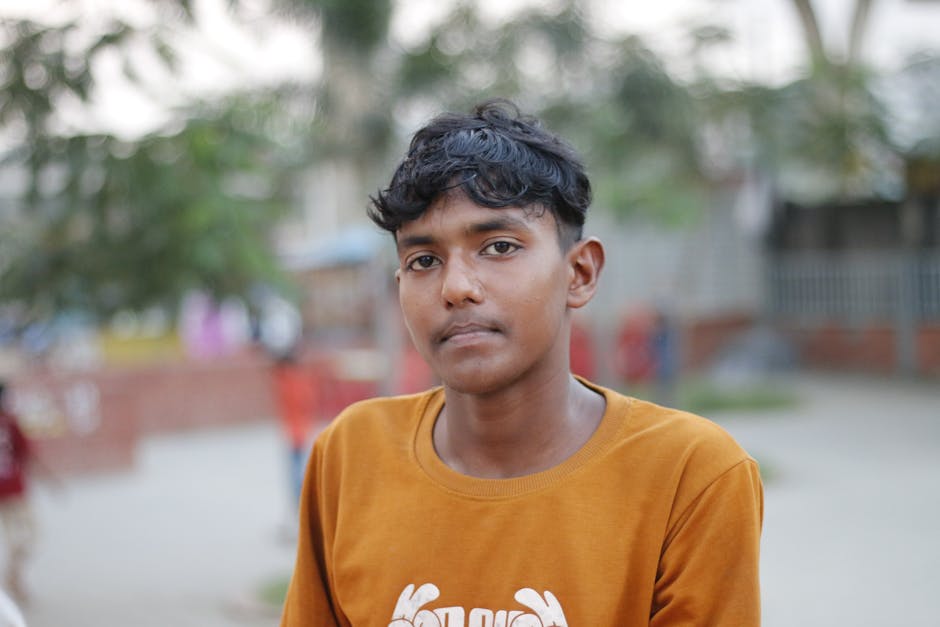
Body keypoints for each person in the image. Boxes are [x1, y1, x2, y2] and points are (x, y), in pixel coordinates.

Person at [281, 100, 763, 626]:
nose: (457, 287)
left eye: (499, 246)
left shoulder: (691, 475)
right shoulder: (350, 455)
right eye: (423, 260)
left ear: (579, 274)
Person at [0, 381, 41, 604]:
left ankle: (14, 576)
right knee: (32, 535)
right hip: (14, 490)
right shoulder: (9, 422)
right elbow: (28, 454)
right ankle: (13, 575)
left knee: (14, 537)